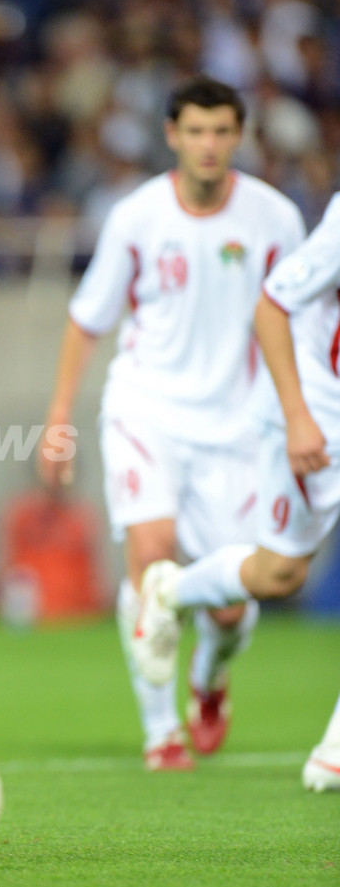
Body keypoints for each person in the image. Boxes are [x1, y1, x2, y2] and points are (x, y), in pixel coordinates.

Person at [38, 75, 306, 771]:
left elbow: (305, 319)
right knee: (150, 556)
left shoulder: (275, 219)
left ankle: (209, 681)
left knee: (229, 607)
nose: (208, 144)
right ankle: (160, 731)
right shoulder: (137, 217)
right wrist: (60, 415)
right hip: (146, 409)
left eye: (221, 131)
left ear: (238, 136)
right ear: (172, 135)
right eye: (195, 131)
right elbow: (86, 317)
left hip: (242, 429)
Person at [132, 192, 340, 792]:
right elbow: (273, 306)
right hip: (319, 416)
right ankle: (171, 589)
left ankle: (331, 753)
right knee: (279, 573)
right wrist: (299, 416)